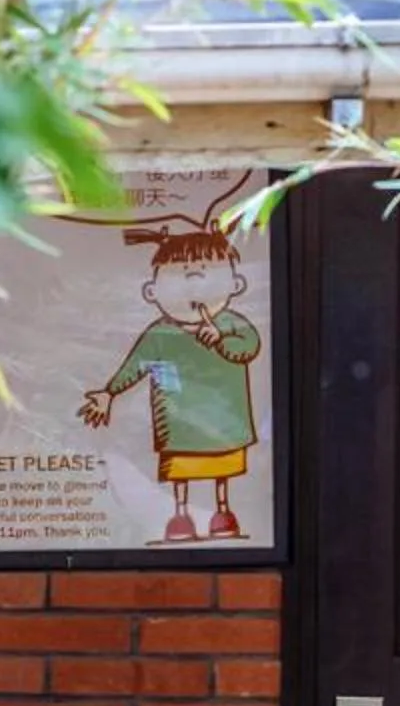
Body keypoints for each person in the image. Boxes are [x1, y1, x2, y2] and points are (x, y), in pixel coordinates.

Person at [78, 221, 263, 542]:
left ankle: (222, 512)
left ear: (236, 284)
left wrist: (221, 340)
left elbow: (249, 347)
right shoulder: (160, 333)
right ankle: (181, 516)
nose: (193, 278)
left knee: (223, 470)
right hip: (179, 424)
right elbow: (135, 365)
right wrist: (109, 393)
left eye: (205, 270)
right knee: (182, 472)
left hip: (225, 420)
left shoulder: (232, 324)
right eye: (179, 272)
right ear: (152, 291)